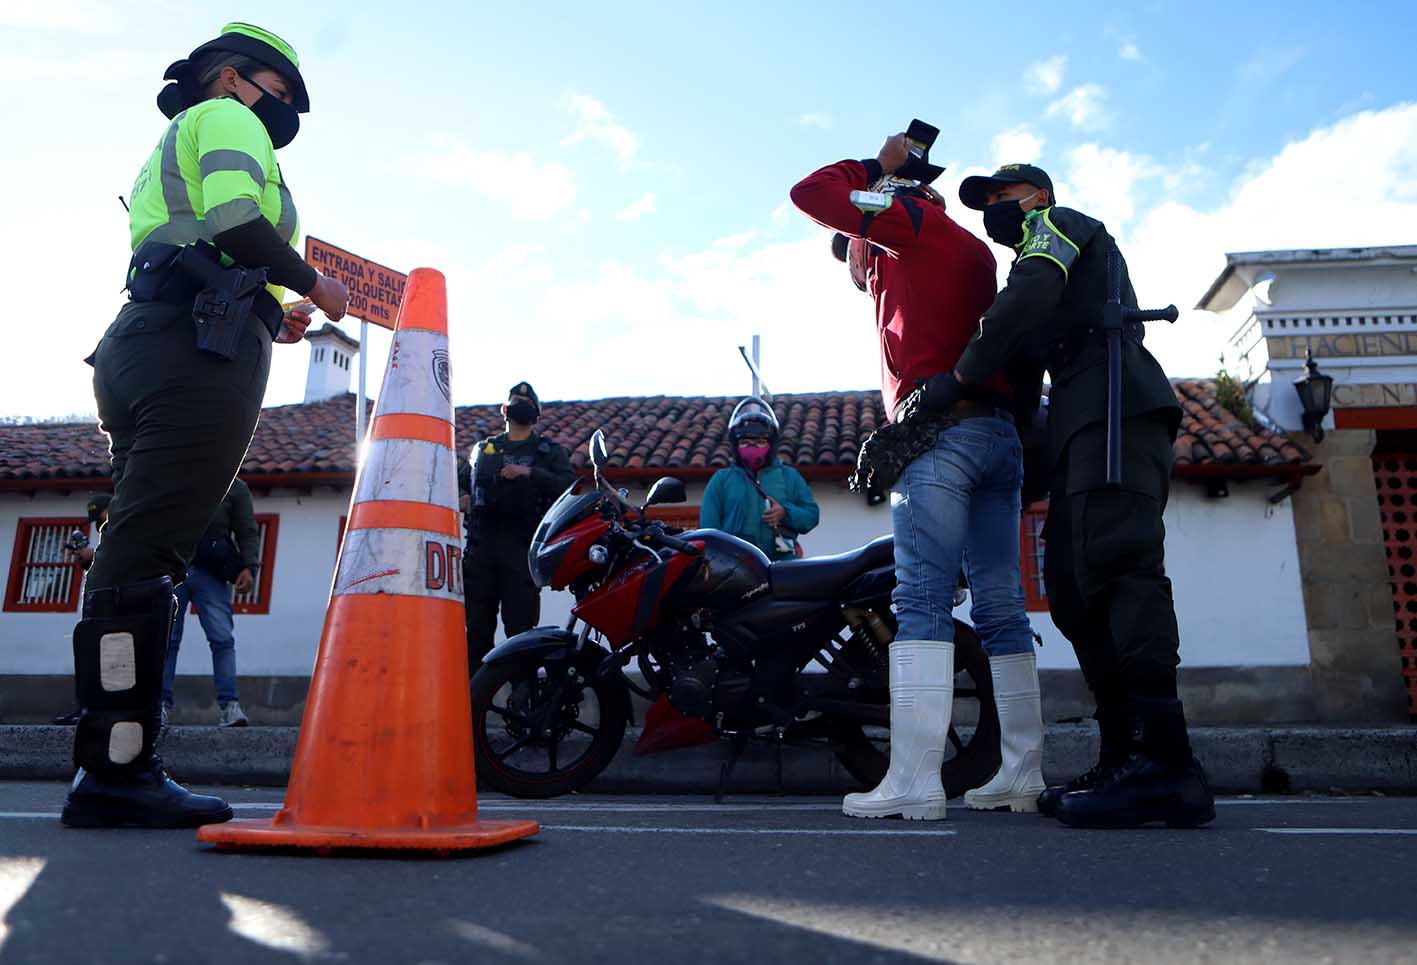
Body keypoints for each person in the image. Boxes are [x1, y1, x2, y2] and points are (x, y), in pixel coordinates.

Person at [62, 23, 349, 829]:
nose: (281, 106)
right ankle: (116, 769)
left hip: (154, 335)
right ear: (228, 77)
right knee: (148, 553)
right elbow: (233, 220)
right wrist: (315, 284)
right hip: (192, 347)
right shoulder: (227, 119)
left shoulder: (182, 132)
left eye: (291, 100)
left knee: (139, 540)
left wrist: (270, 308)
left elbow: (207, 242)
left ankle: (117, 759)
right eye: (275, 88)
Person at [943, 162, 1214, 828]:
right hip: (1076, 426)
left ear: (1038, 195)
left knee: (1119, 564)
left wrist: (959, 373)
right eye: (987, 203)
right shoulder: (1030, 272)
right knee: (1069, 583)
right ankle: (1122, 753)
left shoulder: (1056, 228)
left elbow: (1026, 301)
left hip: (1115, 407)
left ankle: (1168, 763)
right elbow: (1020, 374)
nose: (995, 210)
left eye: (1002, 197)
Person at [791, 133, 1040, 821]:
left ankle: (914, 780)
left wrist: (879, 166)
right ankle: (1022, 770)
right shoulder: (970, 251)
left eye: (859, 252)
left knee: (923, 598)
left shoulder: (909, 222)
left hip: (939, 436)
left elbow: (811, 194)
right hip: (998, 437)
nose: (860, 268)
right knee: (999, 605)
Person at [459, 382, 575, 669]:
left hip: (522, 546)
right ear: (504, 410)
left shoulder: (549, 452)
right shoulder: (484, 450)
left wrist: (528, 472)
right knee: (476, 631)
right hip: (482, 545)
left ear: (536, 414)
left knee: (521, 633)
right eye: (516, 400)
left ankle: (523, 704)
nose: (521, 404)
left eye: (527, 401)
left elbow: (568, 487)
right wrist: (463, 497)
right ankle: (472, 704)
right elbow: (461, 482)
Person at [160, 477, 261, 728]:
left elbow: (246, 528)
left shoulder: (234, 486)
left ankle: (230, 706)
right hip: (173, 567)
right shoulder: (174, 474)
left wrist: (249, 566)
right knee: (166, 640)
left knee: (222, 640)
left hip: (212, 571)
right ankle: (159, 706)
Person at [699, 398, 819, 561]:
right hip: (736, 568)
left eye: (760, 442)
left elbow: (811, 516)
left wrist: (785, 513)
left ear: (771, 445)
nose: (752, 448)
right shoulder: (721, 480)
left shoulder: (790, 477)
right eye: (745, 442)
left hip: (782, 566)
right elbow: (708, 529)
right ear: (736, 445)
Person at [54, 494, 112, 725]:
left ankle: (94, 709)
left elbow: (122, 556)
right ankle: (86, 707)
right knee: (88, 650)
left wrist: (93, 555)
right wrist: (87, 559)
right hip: (101, 597)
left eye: (101, 516)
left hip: (114, 601)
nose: (99, 524)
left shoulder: (125, 525)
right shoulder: (107, 530)